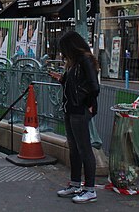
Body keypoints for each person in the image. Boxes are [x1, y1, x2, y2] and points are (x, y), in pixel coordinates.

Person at [49, 30, 101, 204]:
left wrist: (81, 99)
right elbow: (78, 83)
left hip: (78, 109)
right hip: (70, 108)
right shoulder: (74, 63)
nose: (62, 54)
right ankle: (75, 183)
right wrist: (63, 79)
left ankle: (90, 189)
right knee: (74, 148)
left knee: (84, 148)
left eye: (64, 49)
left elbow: (94, 86)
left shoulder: (85, 60)